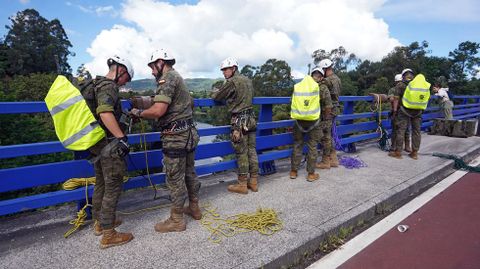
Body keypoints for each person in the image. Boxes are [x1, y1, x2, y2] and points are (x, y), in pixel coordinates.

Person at [130, 49, 201, 233]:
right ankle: (194, 207)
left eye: (152, 67)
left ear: (160, 62)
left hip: (175, 137)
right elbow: (189, 103)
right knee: (189, 172)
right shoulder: (178, 77)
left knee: (174, 177)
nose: (152, 72)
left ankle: (176, 220)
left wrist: (139, 112)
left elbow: (158, 111)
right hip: (189, 133)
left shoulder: (167, 78)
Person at [89, 55, 134, 249]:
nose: (125, 83)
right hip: (109, 145)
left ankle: (100, 223)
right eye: (126, 78)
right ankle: (108, 234)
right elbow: (105, 112)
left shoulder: (95, 83)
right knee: (113, 185)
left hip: (96, 144)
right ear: (120, 70)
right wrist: (121, 138)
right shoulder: (109, 86)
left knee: (101, 183)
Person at [211, 57, 259, 194]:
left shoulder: (232, 82)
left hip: (239, 121)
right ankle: (254, 181)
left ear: (233, 69)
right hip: (251, 119)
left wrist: (214, 91)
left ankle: (242, 184)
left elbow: (217, 96)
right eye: (223, 70)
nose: (224, 73)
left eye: (226, 69)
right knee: (251, 150)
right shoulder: (248, 80)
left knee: (241, 152)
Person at [290, 67, 332, 181]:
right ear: (321, 77)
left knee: (297, 144)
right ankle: (311, 174)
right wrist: (325, 119)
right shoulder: (322, 88)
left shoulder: (299, 85)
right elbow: (328, 107)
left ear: (312, 74)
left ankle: (293, 171)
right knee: (312, 146)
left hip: (299, 121)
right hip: (314, 121)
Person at [388, 68, 431, 160]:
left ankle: (398, 152)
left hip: (404, 111)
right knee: (416, 132)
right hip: (418, 111)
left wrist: (395, 111)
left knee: (401, 130)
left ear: (403, 76)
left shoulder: (400, 85)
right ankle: (414, 153)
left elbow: (396, 99)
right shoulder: (420, 85)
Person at [316, 58, 340, 168]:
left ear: (325, 69)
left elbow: (318, 84)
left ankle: (325, 161)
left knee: (325, 136)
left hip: (328, 110)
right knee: (328, 135)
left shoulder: (328, 80)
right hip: (334, 109)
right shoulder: (337, 79)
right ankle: (333, 159)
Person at [388, 74, 411, 152]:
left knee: (397, 129)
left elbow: (391, 99)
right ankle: (406, 147)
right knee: (405, 129)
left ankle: (395, 147)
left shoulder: (393, 89)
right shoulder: (407, 88)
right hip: (404, 111)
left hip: (398, 111)